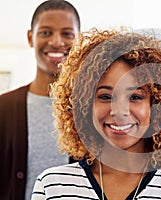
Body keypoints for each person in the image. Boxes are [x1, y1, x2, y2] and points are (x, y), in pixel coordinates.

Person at [31, 28, 161, 199]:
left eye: (135, 96)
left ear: (157, 106)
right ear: (83, 106)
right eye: (105, 96)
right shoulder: (52, 187)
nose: (119, 111)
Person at [0, 1, 80, 199]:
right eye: (45, 32)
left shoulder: (92, 110)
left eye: (67, 34)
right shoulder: (3, 108)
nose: (56, 41)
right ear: (30, 37)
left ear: (78, 39)